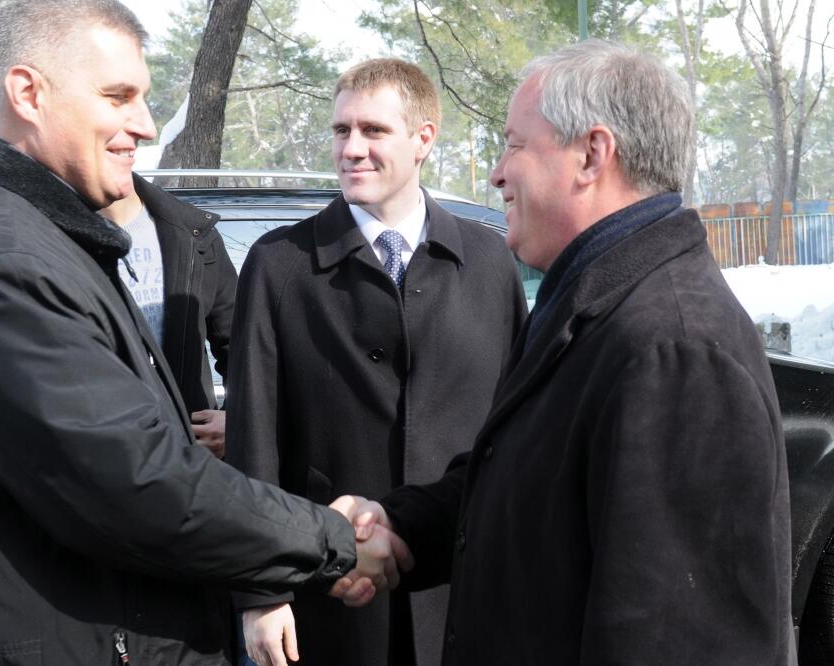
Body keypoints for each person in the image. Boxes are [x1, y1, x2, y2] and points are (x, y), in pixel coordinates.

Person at [0, 1, 407, 663]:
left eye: (143, 99)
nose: (145, 126)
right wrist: (334, 537)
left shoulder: (38, 244)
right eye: (118, 97)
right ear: (27, 92)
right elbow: (138, 484)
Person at [341, 39, 794, 664]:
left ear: (592, 155)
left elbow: (676, 639)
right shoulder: (591, 303)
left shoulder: (674, 348)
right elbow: (528, 486)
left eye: (515, 145)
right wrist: (400, 526)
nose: (497, 172)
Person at [226, 58, 527, 666]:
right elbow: (253, 440)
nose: (351, 149)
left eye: (373, 131)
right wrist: (262, 594)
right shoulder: (279, 264)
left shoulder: (490, 262)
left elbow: (518, 430)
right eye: (341, 131)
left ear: (423, 139)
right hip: (330, 597)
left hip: (465, 594)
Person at [102, 175, 236, 458]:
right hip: (102, 463)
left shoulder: (194, 233)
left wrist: (237, 422)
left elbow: (243, 350)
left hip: (190, 464)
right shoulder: (50, 234)